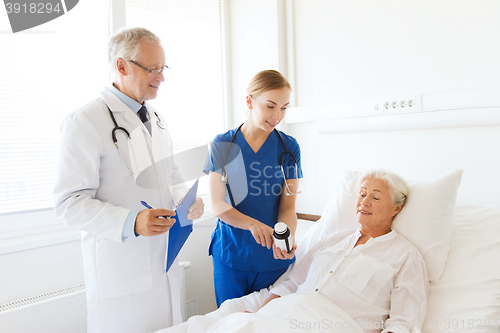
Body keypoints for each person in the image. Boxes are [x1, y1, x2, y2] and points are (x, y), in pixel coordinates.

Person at [53, 27, 204, 333]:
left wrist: (185, 198)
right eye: (152, 69)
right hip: (121, 269)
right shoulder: (84, 122)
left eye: (163, 68)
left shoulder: (156, 120)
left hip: (164, 258)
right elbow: (69, 203)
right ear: (121, 66)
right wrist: (131, 222)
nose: (161, 77)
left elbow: (169, 173)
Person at [261, 169, 429, 333]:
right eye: (362, 194)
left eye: (376, 197)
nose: (364, 202)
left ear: (396, 208)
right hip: (282, 317)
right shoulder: (331, 240)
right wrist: (260, 315)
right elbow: (292, 284)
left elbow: (403, 323)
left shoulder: (406, 257)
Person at [204, 69, 303, 307]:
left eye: (284, 107)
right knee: (231, 324)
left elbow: (288, 207)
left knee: (270, 325)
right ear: (249, 101)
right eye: (270, 106)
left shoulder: (288, 148)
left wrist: (285, 238)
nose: (277, 115)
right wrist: (251, 224)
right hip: (231, 255)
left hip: (273, 260)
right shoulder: (223, 145)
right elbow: (217, 204)